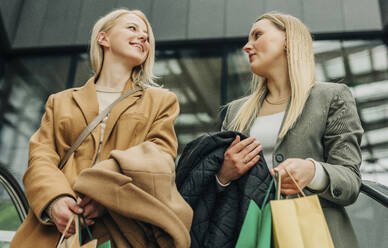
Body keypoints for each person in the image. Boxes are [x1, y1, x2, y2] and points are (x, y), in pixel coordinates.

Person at [11, 9, 186, 248]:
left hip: (120, 229)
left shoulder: (161, 100)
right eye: (132, 28)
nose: (143, 37)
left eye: (147, 35)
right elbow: (41, 157)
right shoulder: (60, 101)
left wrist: (104, 188)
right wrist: (55, 200)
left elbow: (160, 156)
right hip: (53, 233)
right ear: (103, 39)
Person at [218, 12, 363, 248]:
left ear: (287, 39)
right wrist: (223, 175)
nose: (247, 46)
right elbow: (218, 189)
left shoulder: (331, 98)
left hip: (314, 237)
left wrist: (313, 172)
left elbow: (350, 181)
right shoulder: (236, 112)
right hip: (251, 235)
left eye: (257, 35)